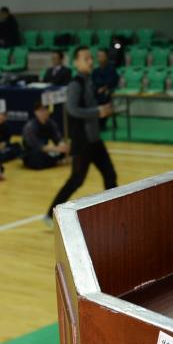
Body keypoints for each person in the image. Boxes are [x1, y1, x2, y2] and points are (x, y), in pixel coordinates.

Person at [46, 46, 118, 218]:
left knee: (110, 175)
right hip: (83, 142)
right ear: (76, 62)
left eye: (91, 58)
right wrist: (98, 111)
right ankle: (51, 214)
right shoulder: (75, 84)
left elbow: (89, 106)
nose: (90, 61)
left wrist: (102, 107)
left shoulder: (89, 81)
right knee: (76, 180)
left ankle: (115, 211)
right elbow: (72, 109)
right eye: (86, 59)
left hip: (95, 140)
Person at [22, 103, 68, 170]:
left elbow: (57, 138)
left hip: (47, 150)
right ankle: (55, 160)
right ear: (36, 112)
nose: (44, 112)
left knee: (68, 148)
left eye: (46, 110)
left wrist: (62, 145)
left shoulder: (51, 123)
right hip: (32, 152)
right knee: (37, 158)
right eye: (41, 110)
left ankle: (54, 159)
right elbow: (37, 146)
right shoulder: (30, 126)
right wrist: (56, 149)